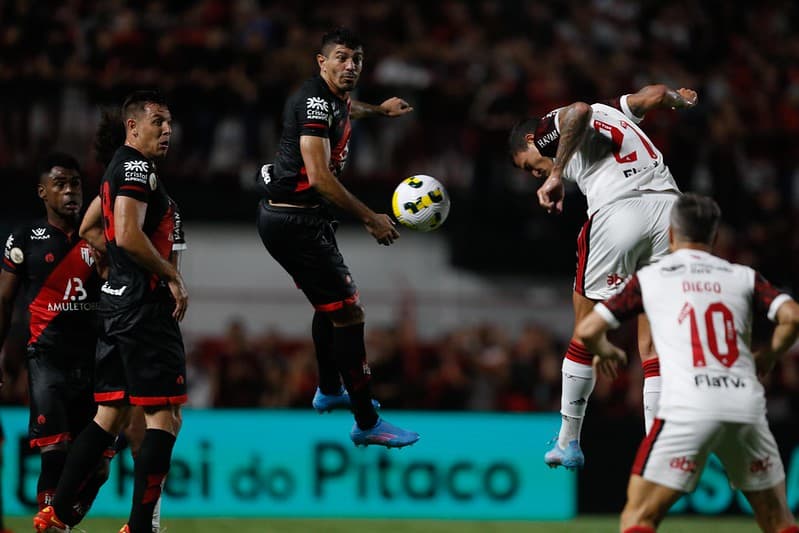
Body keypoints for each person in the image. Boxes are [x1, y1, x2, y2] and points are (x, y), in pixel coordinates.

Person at [575, 194, 799, 533]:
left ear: (670, 234)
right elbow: (792, 316)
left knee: (638, 518)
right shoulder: (743, 276)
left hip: (688, 407)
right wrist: (769, 354)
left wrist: (605, 351)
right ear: (714, 236)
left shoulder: (651, 278)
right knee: (779, 522)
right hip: (744, 405)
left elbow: (588, 329)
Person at [508, 83, 698, 468]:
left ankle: (568, 441)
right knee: (653, 345)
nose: (534, 173)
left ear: (531, 139)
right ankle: (657, 453)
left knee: (586, 328)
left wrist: (555, 173)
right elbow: (656, 94)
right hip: (673, 215)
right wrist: (680, 99)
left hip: (621, 211)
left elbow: (576, 110)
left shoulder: (546, 131)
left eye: (529, 165)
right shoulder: (617, 109)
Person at [256, 27, 419, 448]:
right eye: (342, 57)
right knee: (350, 315)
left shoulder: (334, 100)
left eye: (357, 59)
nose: (350, 66)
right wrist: (370, 217)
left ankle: (329, 389)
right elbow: (321, 179)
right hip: (296, 222)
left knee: (330, 306)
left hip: (298, 220)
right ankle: (366, 422)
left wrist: (379, 111)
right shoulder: (313, 103)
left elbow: (347, 111)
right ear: (321, 62)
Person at [34, 90, 188, 533]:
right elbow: (127, 230)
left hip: (116, 306)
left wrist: (114, 263)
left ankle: (58, 513)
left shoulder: (115, 169)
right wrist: (170, 276)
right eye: (157, 121)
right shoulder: (137, 167)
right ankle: (142, 527)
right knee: (164, 417)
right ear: (132, 126)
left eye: (170, 123)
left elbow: (89, 228)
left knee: (110, 415)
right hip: (144, 309)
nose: (166, 130)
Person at [0, 153, 112, 526]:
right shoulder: (23, 238)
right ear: (42, 191)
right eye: (60, 184)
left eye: (76, 184)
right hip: (47, 358)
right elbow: (4, 300)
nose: (70, 192)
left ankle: (64, 517)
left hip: (95, 359)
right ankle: (49, 524)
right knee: (55, 450)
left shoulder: (100, 237)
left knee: (97, 467)